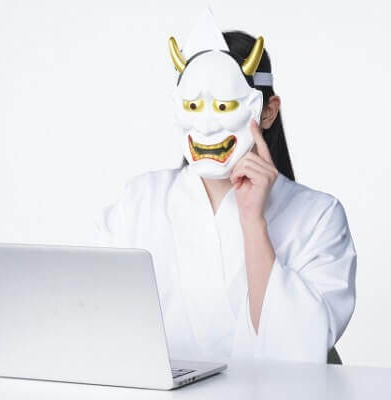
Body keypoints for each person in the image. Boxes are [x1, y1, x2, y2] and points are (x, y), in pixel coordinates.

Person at [93, 20, 356, 365]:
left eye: (223, 107)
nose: (205, 125)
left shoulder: (318, 216)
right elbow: (96, 317)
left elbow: (299, 347)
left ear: (267, 111)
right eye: (193, 107)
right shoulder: (139, 200)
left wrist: (253, 223)